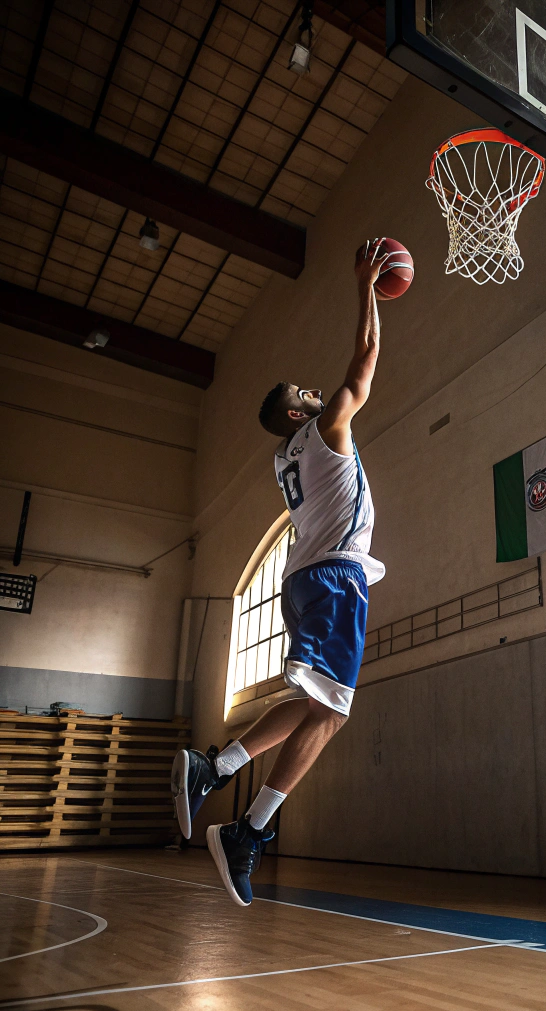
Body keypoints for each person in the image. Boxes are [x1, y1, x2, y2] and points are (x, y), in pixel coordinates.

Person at [170, 239, 391, 906]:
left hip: (311, 578)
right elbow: (365, 365)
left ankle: (239, 809)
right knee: (328, 713)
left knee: (323, 709)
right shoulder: (325, 429)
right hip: (331, 579)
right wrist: (367, 291)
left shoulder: (289, 456)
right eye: (305, 393)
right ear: (299, 414)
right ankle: (222, 781)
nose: (315, 391)